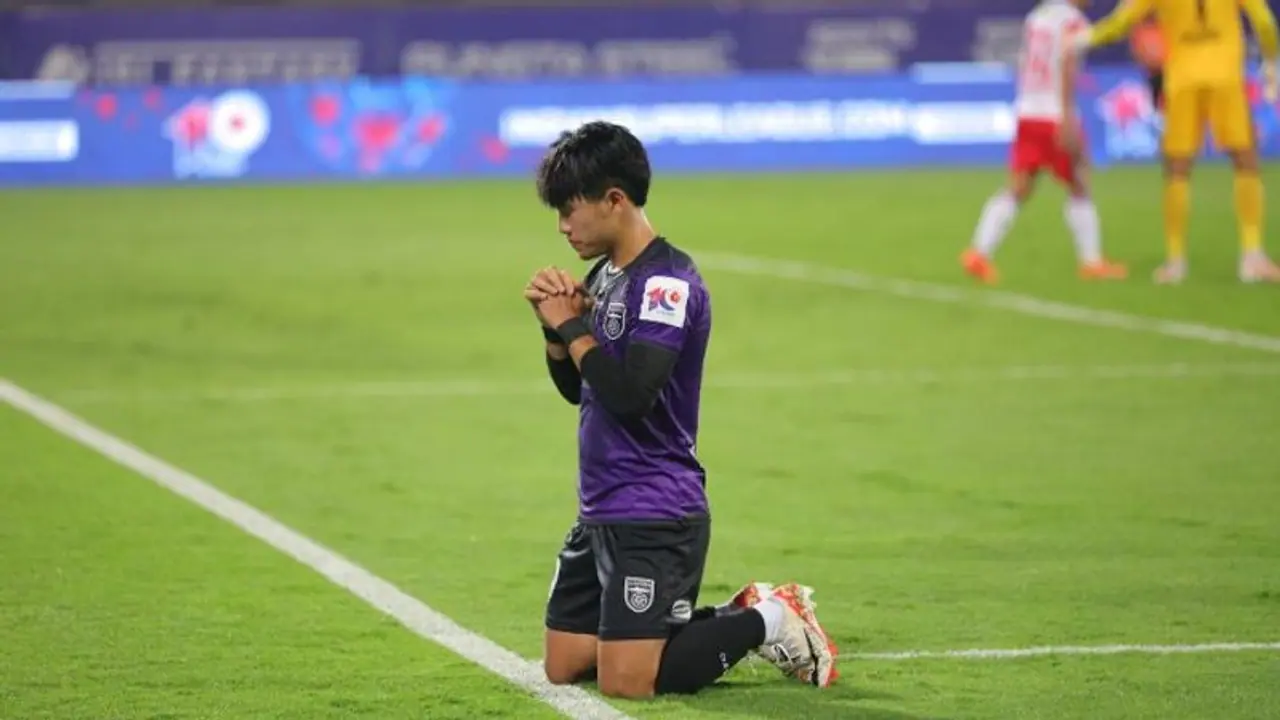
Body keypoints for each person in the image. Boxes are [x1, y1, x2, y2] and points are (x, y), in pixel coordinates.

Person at [522, 121, 838, 699]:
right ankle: (693, 620)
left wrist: (573, 325)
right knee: (565, 664)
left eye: (571, 209)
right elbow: (581, 390)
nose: (564, 226)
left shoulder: (667, 283)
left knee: (627, 681)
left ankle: (770, 618)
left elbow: (630, 395)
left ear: (615, 200)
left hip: (654, 510)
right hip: (599, 509)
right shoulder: (607, 276)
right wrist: (552, 331)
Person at [1084, 0, 1280, 284]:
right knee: (1245, 160)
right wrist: (1272, 62)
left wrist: (1085, 37)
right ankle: (1252, 255)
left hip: (1182, 79)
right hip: (1225, 77)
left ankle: (1175, 262)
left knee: (1177, 168)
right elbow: (1263, 22)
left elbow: (1122, 20)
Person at [962, 0, 1128, 285]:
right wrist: (1066, 116)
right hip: (1053, 114)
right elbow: (1067, 63)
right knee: (1079, 182)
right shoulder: (1072, 22)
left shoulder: (1038, 16)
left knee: (1019, 186)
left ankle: (978, 252)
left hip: (1028, 111)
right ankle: (1091, 262)